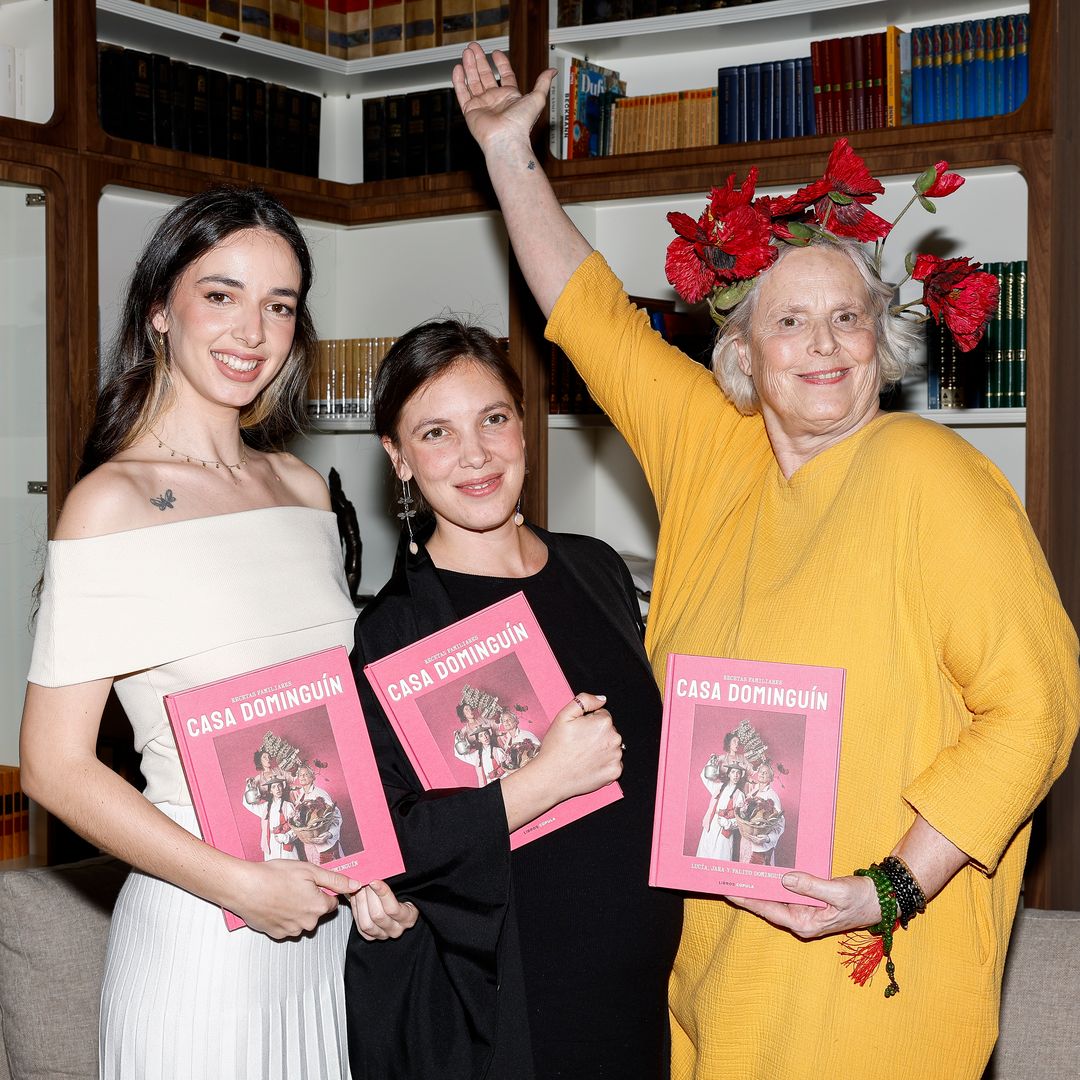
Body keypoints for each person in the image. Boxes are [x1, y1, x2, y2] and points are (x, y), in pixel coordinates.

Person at [451, 44, 1080, 1079]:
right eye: (790, 320)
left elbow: (1037, 707)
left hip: (865, 981)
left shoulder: (936, 476)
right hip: (706, 973)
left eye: (848, 317)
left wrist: (887, 888)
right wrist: (511, 152)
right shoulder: (715, 452)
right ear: (744, 354)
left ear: (884, 341)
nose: (823, 343)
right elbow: (591, 318)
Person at [19, 185, 416, 1080]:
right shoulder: (110, 505)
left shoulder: (304, 491)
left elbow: (324, 725)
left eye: (280, 306)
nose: (253, 331)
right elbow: (52, 765)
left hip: (318, 936)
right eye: (221, 294)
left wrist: (368, 871)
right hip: (203, 939)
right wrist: (240, 886)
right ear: (160, 309)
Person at [345, 319, 684, 1079]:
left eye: (493, 419)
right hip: (515, 998)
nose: (475, 455)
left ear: (523, 428)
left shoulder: (594, 568)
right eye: (436, 432)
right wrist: (542, 781)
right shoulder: (396, 627)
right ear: (397, 458)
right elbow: (392, 839)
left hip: (640, 986)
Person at [696, 761, 745, 861]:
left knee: (721, 856)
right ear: (728, 774)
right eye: (733, 772)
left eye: (738, 773)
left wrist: (728, 823)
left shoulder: (740, 795)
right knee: (705, 855)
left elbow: (741, 819)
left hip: (725, 829)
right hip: (712, 824)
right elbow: (704, 776)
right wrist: (712, 762)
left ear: (740, 776)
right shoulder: (719, 787)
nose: (736, 775)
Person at [243, 775, 299, 861]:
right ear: (270, 791)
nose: (277, 789)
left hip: (286, 845)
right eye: (274, 787)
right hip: (271, 845)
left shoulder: (288, 806)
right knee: (274, 872)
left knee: (291, 871)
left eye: (279, 786)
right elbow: (247, 804)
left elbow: (297, 827)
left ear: (282, 787)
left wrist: (287, 837)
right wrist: (249, 787)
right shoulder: (265, 808)